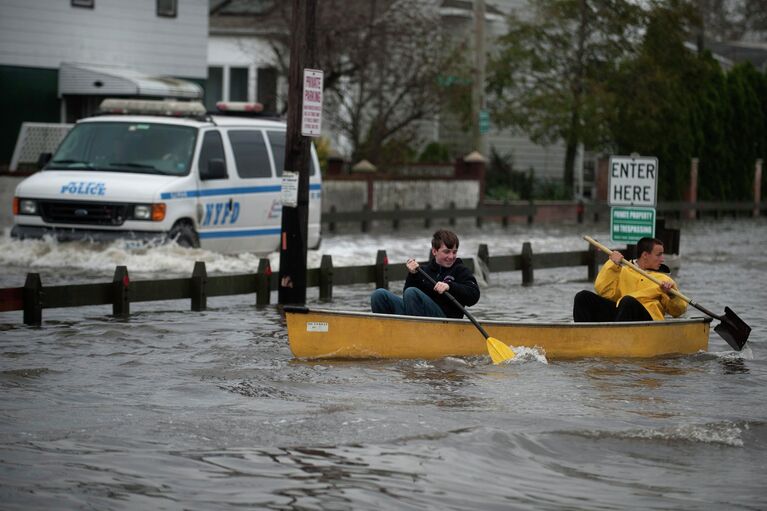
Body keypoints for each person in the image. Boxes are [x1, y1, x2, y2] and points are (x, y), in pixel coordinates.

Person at [370, 229, 480, 318]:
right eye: (447, 252)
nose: (451, 256)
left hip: (445, 321)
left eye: (454, 252)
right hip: (420, 317)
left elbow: (474, 296)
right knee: (379, 294)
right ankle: (387, 335)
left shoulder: (460, 270)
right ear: (434, 251)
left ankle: (415, 336)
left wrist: (449, 286)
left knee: (412, 292)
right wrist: (413, 275)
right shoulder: (423, 271)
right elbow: (407, 298)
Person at [573, 237, 687, 322]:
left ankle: (618, 339)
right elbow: (602, 290)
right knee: (582, 297)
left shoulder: (664, 279)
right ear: (645, 255)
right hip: (622, 313)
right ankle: (582, 336)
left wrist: (672, 295)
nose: (662, 259)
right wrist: (612, 264)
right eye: (659, 255)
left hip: (648, 320)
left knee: (628, 301)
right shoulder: (622, 270)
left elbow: (678, 311)